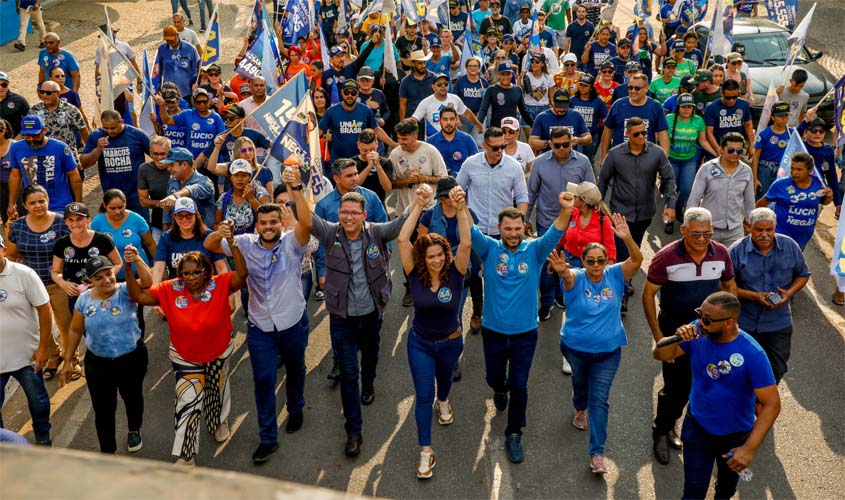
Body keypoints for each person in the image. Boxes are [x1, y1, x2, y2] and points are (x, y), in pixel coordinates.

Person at [204, 165, 312, 464]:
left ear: (280, 223)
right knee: (263, 379)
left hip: (292, 322)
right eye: (262, 222)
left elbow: (306, 222)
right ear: (256, 224)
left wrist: (297, 189)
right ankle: (268, 438)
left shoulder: (292, 243)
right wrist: (220, 232)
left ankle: (296, 406)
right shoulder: (245, 243)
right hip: (260, 326)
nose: (267, 226)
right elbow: (209, 245)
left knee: (296, 369)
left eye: (273, 222)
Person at [472, 191, 576, 463]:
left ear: (524, 229)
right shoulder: (489, 249)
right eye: (508, 228)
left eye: (518, 228)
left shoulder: (536, 251)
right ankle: (498, 389)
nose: (513, 233)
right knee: (495, 378)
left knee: (519, 383)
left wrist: (565, 209)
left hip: (525, 334)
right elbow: (469, 231)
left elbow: (555, 232)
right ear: (499, 229)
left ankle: (515, 431)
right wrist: (460, 207)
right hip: (493, 331)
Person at [309, 191, 410, 457]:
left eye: (354, 213)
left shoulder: (376, 233)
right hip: (341, 319)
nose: (349, 217)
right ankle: (354, 431)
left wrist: (419, 202)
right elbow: (306, 219)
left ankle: (370, 382)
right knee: (347, 374)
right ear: (338, 214)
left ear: (364, 215)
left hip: (371, 315)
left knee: (371, 357)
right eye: (344, 212)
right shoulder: (330, 233)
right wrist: (295, 190)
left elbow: (400, 225)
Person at [126, 244, 246, 466]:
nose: (191, 278)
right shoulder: (170, 288)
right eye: (186, 273)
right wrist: (128, 264)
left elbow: (242, 274)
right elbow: (138, 296)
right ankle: (185, 456)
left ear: (207, 271)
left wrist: (234, 244)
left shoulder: (220, 283)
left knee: (216, 392)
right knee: (188, 402)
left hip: (218, 352)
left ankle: (218, 421)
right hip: (185, 356)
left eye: (197, 272)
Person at [653, 292, 780, 500]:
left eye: (707, 319)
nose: (700, 322)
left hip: (735, 437)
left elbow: (772, 404)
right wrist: (674, 337)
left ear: (729, 323)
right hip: (698, 428)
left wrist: (748, 449)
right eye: (700, 314)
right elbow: (661, 355)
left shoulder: (752, 354)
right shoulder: (696, 332)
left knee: (726, 491)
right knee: (693, 491)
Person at [547, 212, 642, 474]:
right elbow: (567, 278)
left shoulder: (615, 274)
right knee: (580, 386)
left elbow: (637, 260)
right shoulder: (576, 277)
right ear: (584, 262)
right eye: (591, 261)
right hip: (575, 349)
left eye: (601, 261)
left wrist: (627, 238)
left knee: (599, 400)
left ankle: (597, 453)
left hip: (608, 353)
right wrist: (562, 271)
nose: (596, 265)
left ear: (607, 260)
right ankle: (579, 408)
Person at [643, 207, 738, 465]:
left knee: (704, 385)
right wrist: (659, 336)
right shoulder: (665, 257)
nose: (702, 239)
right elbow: (648, 294)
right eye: (696, 234)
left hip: (711, 337)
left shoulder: (721, 254)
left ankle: (680, 426)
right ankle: (661, 430)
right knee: (675, 388)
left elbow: (729, 286)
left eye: (707, 234)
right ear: (683, 230)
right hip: (677, 336)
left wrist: (730, 324)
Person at [398, 183, 471, 479]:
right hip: (421, 345)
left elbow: (466, 243)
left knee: (444, 385)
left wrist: (462, 209)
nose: (436, 260)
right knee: (423, 394)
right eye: (430, 256)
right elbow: (403, 239)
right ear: (423, 259)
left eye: (440, 254)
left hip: (452, 344)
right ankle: (426, 451)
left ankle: (445, 401)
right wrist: (418, 204)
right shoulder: (414, 275)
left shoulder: (456, 274)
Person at [60, 250, 148, 455]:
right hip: (98, 363)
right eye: (98, 277)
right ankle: (108, 451)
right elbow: (75, 329)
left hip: (131, 357)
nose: (106, 279)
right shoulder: (83, 300)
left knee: (133, 397)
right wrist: (67, 360)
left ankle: (134, 429)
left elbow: (147, 280)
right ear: (90, 280)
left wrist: (136, 259)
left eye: (108, 273)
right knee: (103, 410)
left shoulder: (127, 290)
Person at [599, 117, 677, 311]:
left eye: (644, 132)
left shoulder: (657, 153)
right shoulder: (615, 154)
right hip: (619, 214)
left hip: (644, 213)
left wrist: (670, 204)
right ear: (628, 135)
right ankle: (622, 294)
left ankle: (626, 279)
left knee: (634, 249)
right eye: (637, 134)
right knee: (622, 252)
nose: (642, 136)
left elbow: (669, 179)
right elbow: (602, 181)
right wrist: (597, 209)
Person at [730, 207, 810, 384]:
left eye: (769, 230)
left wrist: (789, 293)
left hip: (778, 322)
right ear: (749, 227)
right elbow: (726, 286)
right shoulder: (736, 251)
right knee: (740, 370)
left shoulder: (789, 246)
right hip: (745, 322)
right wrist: (753, 296)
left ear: (775, 228)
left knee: (776, 368)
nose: (764, 234)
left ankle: (762, 406)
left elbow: (803, 274)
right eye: (759, 229)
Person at [6, 185, 74, 380]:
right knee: (37, 325)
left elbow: (73, 249)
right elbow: (11, 255)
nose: (38, 206)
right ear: (25, 205)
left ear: (48, 201)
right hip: (29, 285)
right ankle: (54, 356)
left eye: (41, 201)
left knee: (65, 323)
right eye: (33, 203)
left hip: (59, 282)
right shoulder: (17, 226)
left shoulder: (62, 222)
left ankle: (72, 360)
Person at [526, 127, 594, 320]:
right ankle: (546, 301)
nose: (562, 149)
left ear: (571, 141)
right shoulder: (540, 163)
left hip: (574, 224)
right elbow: (531, 194)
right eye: (558, 146)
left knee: (567, 262)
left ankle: (561, 294)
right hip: (547, 223)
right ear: (551, 144)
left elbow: (590, 192)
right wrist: (525, 219)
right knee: (546, 265)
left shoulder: (583, 162)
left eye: (566, 144)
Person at [0, 232, 53, 446]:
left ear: (3, 249)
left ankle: (43, 436)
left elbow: (44, 309)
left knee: (38, 400)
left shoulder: (24, 274)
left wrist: (43, 348)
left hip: (26, 354)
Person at [50, 202, 122, 318]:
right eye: (71, 220)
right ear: (65, 222)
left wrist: (103, 280)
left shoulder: (102, 239)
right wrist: (63, 283)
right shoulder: (62, 243)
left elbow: (118, 263)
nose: (75, 223)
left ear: (88, 220)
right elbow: (55, 271)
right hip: (77, 295)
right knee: (83, 330)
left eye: (79, 219)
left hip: (103, 291)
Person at [687, 132, 756, 247]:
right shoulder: (707, 168)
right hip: (708, 229)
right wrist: (690, 223)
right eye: (730, 150)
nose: (735, 154)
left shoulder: (747, 171)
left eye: (739, 151)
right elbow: (694, 198)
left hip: (735, 230)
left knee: (734, 263)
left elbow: (749, 202)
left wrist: (751, 223)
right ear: (721, 149)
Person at [7, 115, 81, 219]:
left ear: (44, 130)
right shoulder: (16, 148)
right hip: (33, 206)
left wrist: (78, 204)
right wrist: (12, 203)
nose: (31, 139)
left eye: (35, 135)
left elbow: (74, 176)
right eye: (27, 136)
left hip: (60, 206)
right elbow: (15, 176)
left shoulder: (61, 148)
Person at [79, 110, 151, 219]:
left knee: (141, 229)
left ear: (121, 121)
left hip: (136, 196)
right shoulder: (96, 136)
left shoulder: (136, 134)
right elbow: (84, 163)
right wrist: (98, 149)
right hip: (111, 198)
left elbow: (156, 155)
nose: (109, 131)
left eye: (112, 128)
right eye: (105, 128)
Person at [664, 93, 719, 234]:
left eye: (689, 106)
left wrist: (718, 153)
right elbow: (662, 141)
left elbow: (703, 141)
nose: (686, 109)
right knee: (671, 189)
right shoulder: (669, 119)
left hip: (689, 159)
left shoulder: (698, 121)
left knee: (687, 189)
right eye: (683, 107)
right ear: (678, 107)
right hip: (672, 159)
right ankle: (669, 219)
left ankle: (678, 207)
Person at [756, 152, 833, 250]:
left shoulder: (819, 183)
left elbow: (824, 202)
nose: (794, 172)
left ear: (809, 170)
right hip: (780, 234)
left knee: (794, 263)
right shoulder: (780, 185)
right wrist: (757, 224)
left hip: (803, 237)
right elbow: (761, 204)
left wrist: (830, 196)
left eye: (799, 169)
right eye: (792, 168)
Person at [599, 74, 669, 163]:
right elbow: (607, 131)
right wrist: (603, 157)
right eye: (630, 88)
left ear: (646, 88)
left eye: (637, 88)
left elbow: (663, 134)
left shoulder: (655, 106)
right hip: (620, 159)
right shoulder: (618, 105)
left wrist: (664, 161)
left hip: (647, 160)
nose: (633, 91)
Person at [389, 119, 449, 214]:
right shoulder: (395, 154)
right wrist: (408, 180)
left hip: (428, 209)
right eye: (398, 138)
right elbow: (391, 184)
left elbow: (444, 179)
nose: (400, 142)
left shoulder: (430, 151)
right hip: (404, 211)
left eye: (404, 139)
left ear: (415, 136)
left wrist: (423, 178)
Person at [319, 80, 378, 172]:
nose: (350, 95)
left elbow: (376, 130)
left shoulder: (366, 110)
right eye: (347, 92)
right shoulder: (332, 111)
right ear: (342, 93)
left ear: (358, 93)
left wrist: (394, 144)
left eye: (353, 93)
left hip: (360, 160)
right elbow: (318, 131)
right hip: (338, 161)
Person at [159, 147, 216, 231]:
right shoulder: (173, 180)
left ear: (184, 164)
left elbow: (193, 190)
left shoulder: (205, 182)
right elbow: (167, 211)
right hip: (179, 235)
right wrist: (165, 235)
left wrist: (175, 196)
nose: (168, 169)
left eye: (172, 165)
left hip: (202, 236)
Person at [29, 81, 88, 161]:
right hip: (43, 158)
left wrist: (87, 152)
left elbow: (83, 130)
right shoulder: (34, 111)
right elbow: (28, 133)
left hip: (67, 158)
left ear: (57, 93)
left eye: (48, 93)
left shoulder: (71, 109)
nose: (44, 95)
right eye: (42, 92)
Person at [412, 75, 483, 136]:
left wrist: (478, 124)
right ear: (433, 87)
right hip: (433, 141)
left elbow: (466, 113)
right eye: (439, 84)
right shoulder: (426, 102)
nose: (443, 86)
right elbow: (414, 119)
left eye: (445, 84)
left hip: (453, 139)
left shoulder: (455, 99)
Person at [477, 61, 534, 132]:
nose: (505, 77)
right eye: (503, 74)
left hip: (511, 129)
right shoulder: (491, 89)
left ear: (512, 75)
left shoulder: (517, 89)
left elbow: (524, 111)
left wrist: (533, 125)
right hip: (496, 129)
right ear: (498, 75)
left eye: (508, 74)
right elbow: (483, 109)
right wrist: (479, 124)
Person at [703, 79, 754, 158]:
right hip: (719, 147)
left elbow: (748, 125)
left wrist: (751, 145)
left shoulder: (744, 105)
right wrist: (719, 150)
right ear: (721, 93)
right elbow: (709, 132)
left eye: (735, 97)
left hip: (737, 149)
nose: (731, 100)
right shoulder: (711, 108)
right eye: (728, 97)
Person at [752, 101, 793, 197]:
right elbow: (756, 156)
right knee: (763, 194)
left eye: (786, 115)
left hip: (783, 167)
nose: (784, 118)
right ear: (772, 117)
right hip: (765, 168)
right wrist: (755, 178)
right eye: (780, 116)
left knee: (781, 194)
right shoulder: (764, 133)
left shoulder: (791, 133)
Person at [138, 136, 173, 243]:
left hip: (182, 221)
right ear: (150, 152)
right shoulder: (145, 169)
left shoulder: (178, 166)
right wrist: (160, 204)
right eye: (155, 154)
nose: (159, 157)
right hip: (158, 221)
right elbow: (143, 201)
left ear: (170, 152)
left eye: (162, 154)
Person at [426, 107, 479, 177]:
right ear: (439, 120)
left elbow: (477, 165)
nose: (448, 123)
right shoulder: (431, 142)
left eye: (452, 119)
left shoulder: (467, 139)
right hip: (439, 184)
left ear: (456, 120)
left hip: (462, 185)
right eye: (445, 119)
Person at [152, 25, 200, 100]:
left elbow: (196, 68)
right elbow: (158, 69)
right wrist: (158, 85)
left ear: (177, 35)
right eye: (168, 40)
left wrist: (195, 85)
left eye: (172, 39)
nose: (170, 42)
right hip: (169, 92)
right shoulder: (162, 49)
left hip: (187, 91)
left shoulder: (190, 49)